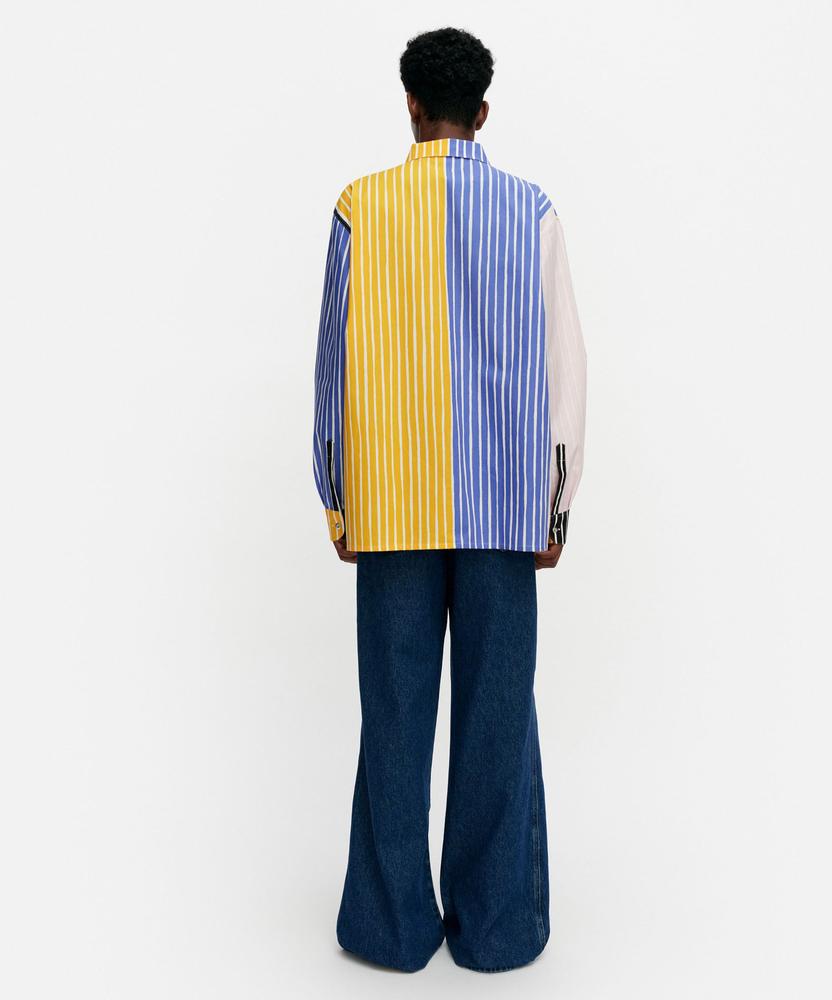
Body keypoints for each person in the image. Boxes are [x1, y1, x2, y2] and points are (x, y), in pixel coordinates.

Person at [311, 26, 587, 974]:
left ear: (411, 106)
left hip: (390, 503)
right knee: (498, 719)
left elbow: (332, 365)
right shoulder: (531, 210)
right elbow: (565, 366)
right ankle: (497, 929)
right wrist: (556, 504)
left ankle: (390, 930)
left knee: (394, 716)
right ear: (483, 112)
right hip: (506, 505)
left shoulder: (360, 207)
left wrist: (338, 498)